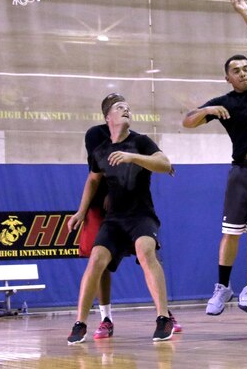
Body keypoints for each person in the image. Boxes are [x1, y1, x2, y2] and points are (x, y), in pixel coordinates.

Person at [182, 0, 247, 316]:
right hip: (242, 171)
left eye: (245, 68)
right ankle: (222, 286)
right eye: (235, 70)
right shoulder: (224, 101)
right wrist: (207, 109)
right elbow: (187, 122)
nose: (242, 72)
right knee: (230, 234)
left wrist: (245, 11)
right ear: (227, 78)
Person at [66, 95, 177, 344]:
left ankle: (163, 318)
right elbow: (93, 180)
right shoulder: (100, 150)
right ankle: (80, 322)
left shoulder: (141, 142)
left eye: (128, 107)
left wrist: (132, 157)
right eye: (119, 108)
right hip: (114, 219)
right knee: (95, 260)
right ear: (108, 118)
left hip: (141, 215)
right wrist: (81, 211)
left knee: (145, 251)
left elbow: (164, 163)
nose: (126, 109)